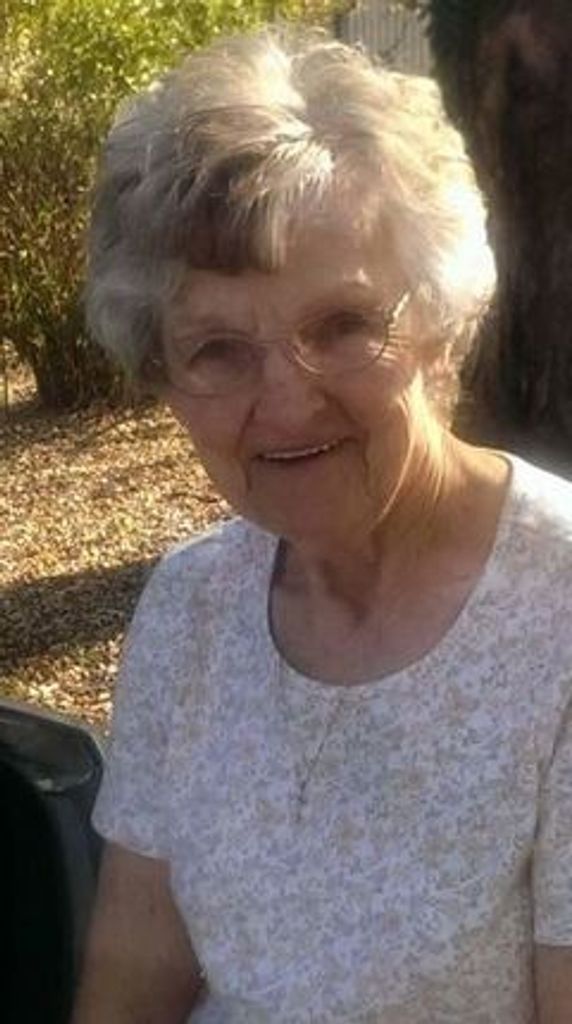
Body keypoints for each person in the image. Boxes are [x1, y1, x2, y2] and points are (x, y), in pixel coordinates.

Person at [72, 27, 572, 1024]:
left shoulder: (556, 616)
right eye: (218, 349)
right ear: (164, 377)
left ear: (437, 324)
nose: (288, 403)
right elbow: (136, 964)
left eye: (341, 325)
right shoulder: (192, 605)